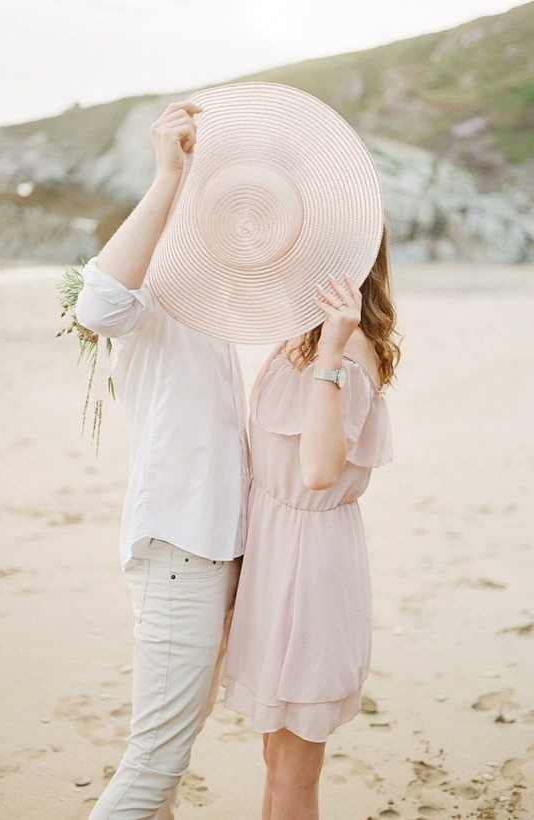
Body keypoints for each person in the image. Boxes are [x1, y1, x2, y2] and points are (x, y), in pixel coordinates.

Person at [74, 101, 249, 820]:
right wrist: (167, 175)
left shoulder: (223, 305)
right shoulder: (154, 289)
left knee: (170, 762)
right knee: (154, 763)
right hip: (180, 547)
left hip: (214, 549)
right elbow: (97, 305)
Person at [223, 227, 400, 820]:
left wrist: (330, 352)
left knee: (295, 771)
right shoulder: (295, 335)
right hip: (272, 556)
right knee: (275, 757)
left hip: (312, 566)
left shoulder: (349, 351)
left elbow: (320, 470)